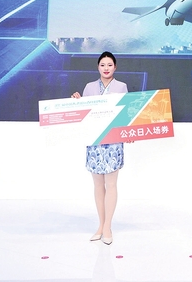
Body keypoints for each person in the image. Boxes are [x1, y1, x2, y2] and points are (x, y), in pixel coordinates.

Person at [71, 51, 128, 245]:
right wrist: (77, 101)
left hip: (113, 141)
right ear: (98, 67)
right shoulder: (89, 87)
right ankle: (100, 225)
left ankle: (107, 227)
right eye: (103, 65)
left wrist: (129, 133)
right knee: (97, 185)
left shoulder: (121, 87)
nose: (106, 68)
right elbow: (84, 113)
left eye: (110, 65)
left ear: (115, 67)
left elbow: (126, 114)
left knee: (111, 184)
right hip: (95, 141)